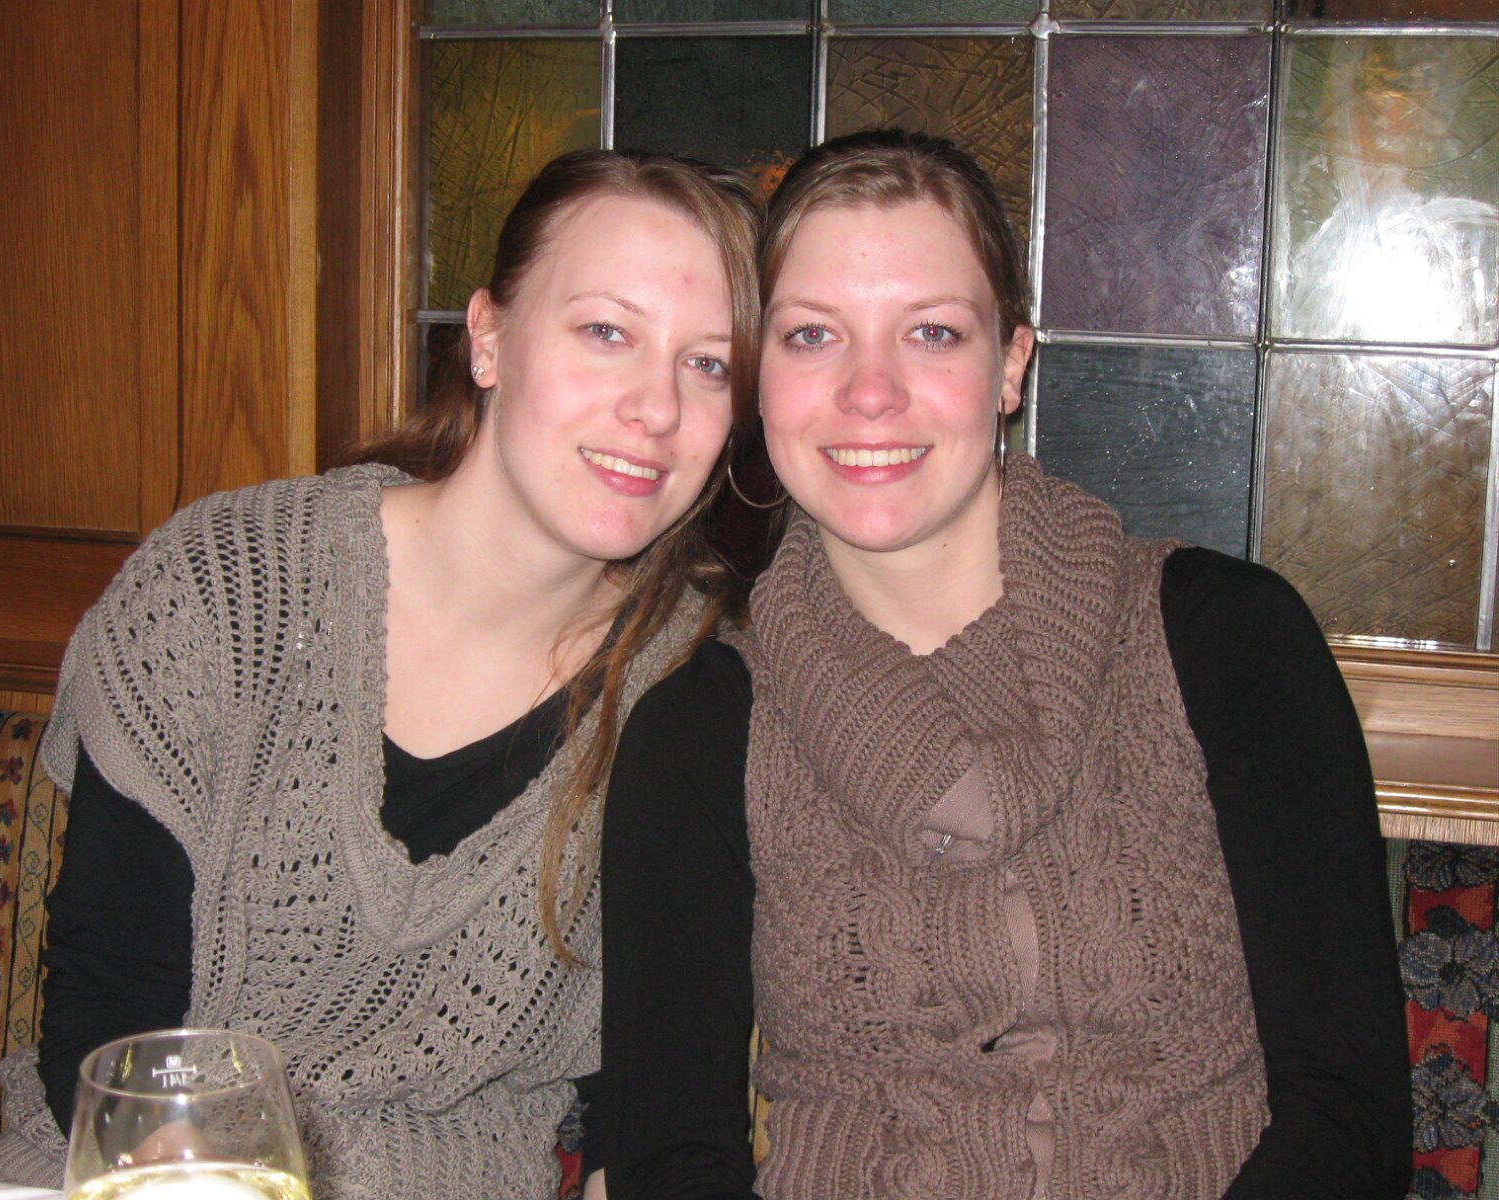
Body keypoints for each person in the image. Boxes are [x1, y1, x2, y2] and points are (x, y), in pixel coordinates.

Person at [593, 129, 1412, 1199]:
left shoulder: (1224, 642)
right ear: (761, 381)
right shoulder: (702, 730)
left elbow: (1347, 1113)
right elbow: (667, 1155)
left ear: (1011, 365)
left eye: (932, 332)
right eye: (812, 336)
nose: (871, 391)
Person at [0, 148, 761, 1199]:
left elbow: (647, 1126)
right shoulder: (228, 588)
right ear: (487, 338)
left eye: (708, 365)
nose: (656, 407)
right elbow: (107, 1011)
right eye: (607, 332)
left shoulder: (687, 693)